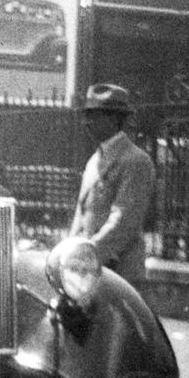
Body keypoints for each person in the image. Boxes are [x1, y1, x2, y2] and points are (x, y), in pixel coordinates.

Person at [69, 83, 155, 289]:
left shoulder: (136, 160)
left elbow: (124, 220)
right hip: (87, 271)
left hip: (119, 274)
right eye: (86, 115)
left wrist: (86, 254)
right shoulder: (94, 160)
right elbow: (81, 215)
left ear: (115, 119)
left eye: (94, 115)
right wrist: (69, 250)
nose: (86, 122)